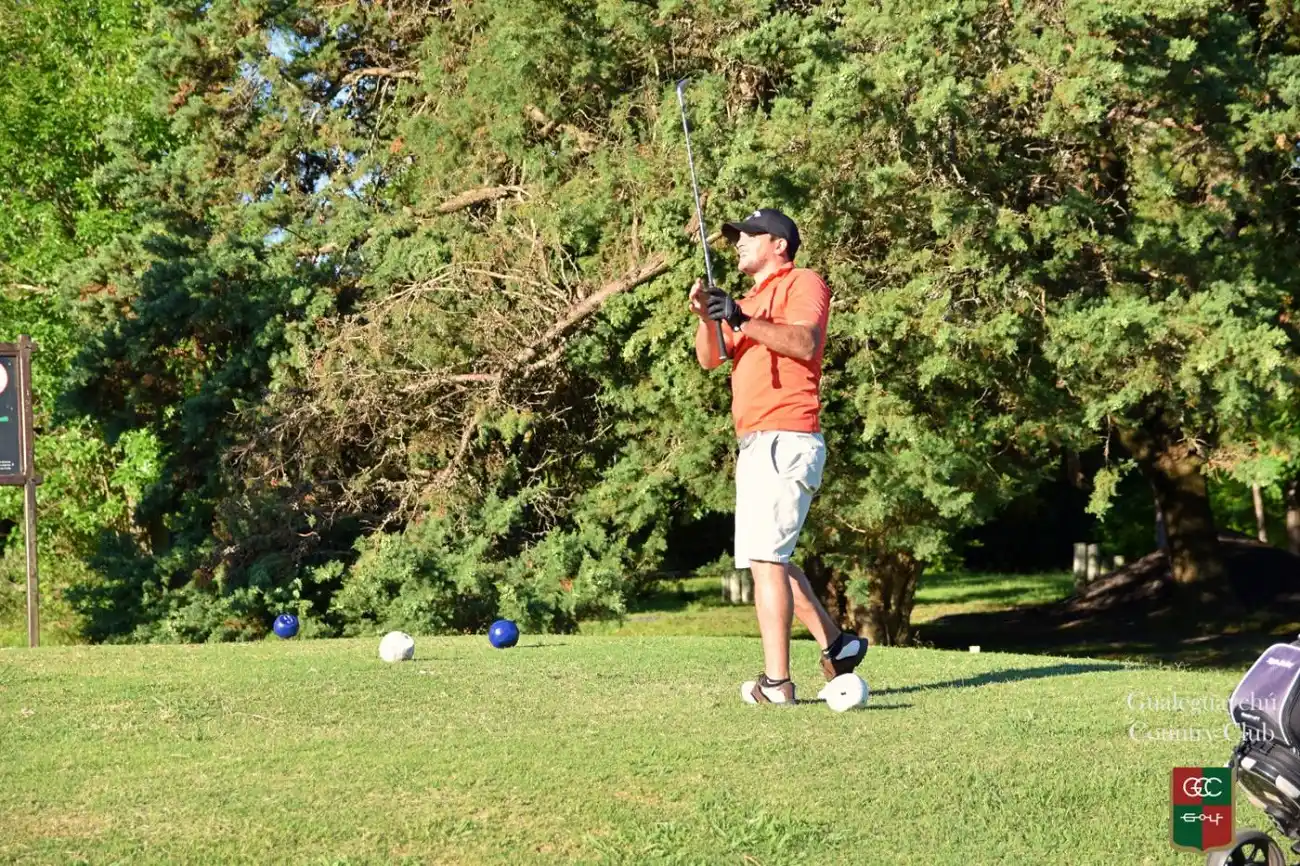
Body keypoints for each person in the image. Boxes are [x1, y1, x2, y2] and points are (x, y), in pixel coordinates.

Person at [687, 207, 867, 705]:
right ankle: (837, 644)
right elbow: (711, 358)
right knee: (769, 557)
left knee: (768, 558)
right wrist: (708, 316)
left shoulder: (802, 282)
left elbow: (805, 341)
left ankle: (777, 684)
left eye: (749, 235)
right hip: (755, 441)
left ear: (779, 244)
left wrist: (741, 317)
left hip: (787, 435)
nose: (739, 242)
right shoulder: (745, 301)